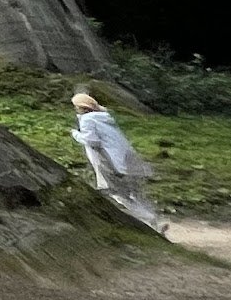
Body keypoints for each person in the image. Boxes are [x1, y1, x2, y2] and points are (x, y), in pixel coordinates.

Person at [71, 90, 168, 233]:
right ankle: (156, 223)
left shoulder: (87, 120)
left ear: (80, 107)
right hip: (128, 159)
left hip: (108, 162)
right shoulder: (104, 118)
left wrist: (75, 134)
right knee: (135, 192)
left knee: (117, 194)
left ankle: (150, 219)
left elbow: (92, 141)